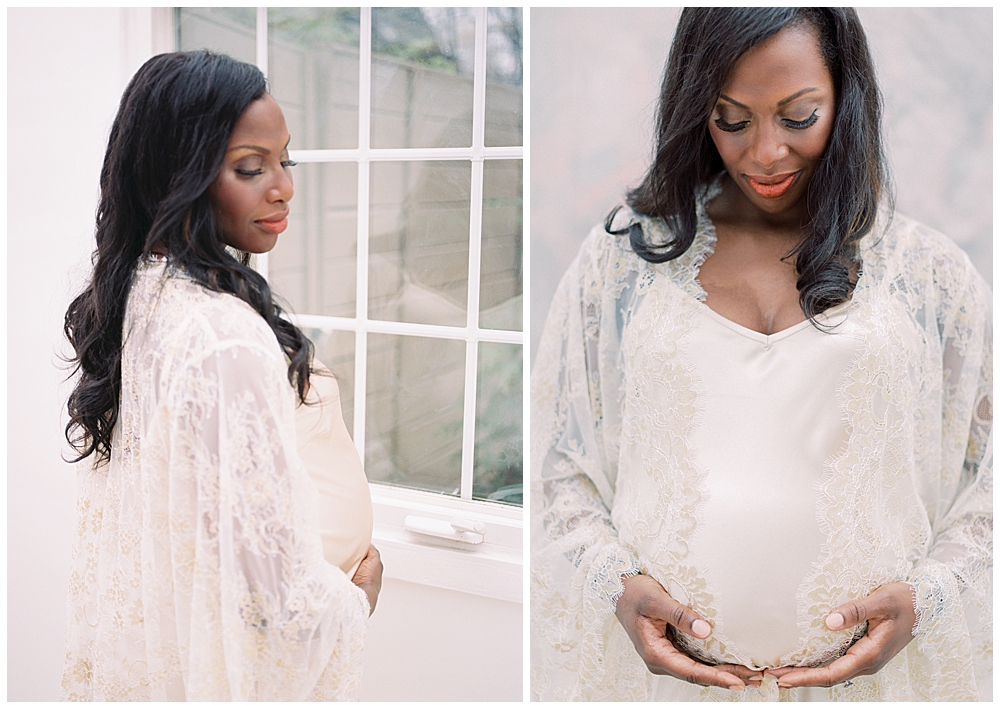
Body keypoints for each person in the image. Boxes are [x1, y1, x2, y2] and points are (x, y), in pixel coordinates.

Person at [531, 8, 991, 701]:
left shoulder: (929, 273)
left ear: (847, 97)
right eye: (732, 118)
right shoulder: (622, 260)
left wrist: (927, 596)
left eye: (798, 117)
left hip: (878, 684)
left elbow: (991, 477)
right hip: (660, 684)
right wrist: (615, 583)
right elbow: (556, 457)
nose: (764, 153)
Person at [61, 50, 382, 701]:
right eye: (249, 167)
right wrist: (360, 596)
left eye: (285, 160)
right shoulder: (218, 333)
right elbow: (281, 600)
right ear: (181, 173)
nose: (284, 186)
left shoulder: (145, 295)